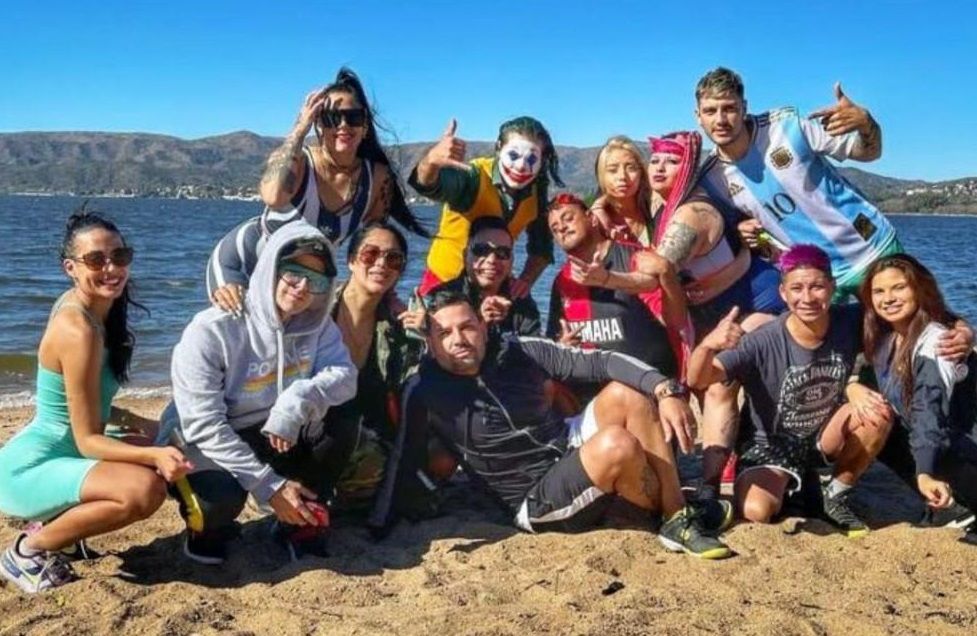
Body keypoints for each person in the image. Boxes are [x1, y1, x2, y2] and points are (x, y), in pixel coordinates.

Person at [372, 290, 734, 559]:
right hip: (534, 497)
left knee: (628, 394)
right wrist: (378, 524)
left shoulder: (517, 350)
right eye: (445, 333)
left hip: (566, 444)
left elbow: (602, 361)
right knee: (617, 444)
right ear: (431, 343)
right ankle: (672, 510)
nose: (458, 339)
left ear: (482, 326)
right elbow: (404, 456)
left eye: (467, 326)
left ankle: (676, 514)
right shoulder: (423, 388)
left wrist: (665, 389)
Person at [0, 210, 190, 594]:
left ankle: (65, 534)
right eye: (95, 260)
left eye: (119, 256)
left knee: (163, 440)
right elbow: (86, 440)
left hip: (67, 450)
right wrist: (153, 454)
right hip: (31, 468)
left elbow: (85, 402)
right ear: (70, 267)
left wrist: (140, 425)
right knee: (144, 490)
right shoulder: (77, 329)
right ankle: (27, 550)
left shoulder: (99, 312)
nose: (111, 268)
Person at [163, 222, 358, 564]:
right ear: (271, 266)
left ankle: (297, 523)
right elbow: (205, 426)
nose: (302, 287)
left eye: (315, 280)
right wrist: (270, 486)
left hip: (272, 428)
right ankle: (206, 530)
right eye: (293, 272)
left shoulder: (318, 326)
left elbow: (345, 377)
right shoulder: (213, 329)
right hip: (206, 436)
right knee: (218, 500)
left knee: (342, 416)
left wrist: (297, 401)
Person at [687, 245, 892, 536]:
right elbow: (699, 379)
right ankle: (801, 488)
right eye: (797, 288)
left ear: (832, 287)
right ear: (783, 293)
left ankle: (835, 494)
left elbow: (911, 310)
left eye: (817, 287)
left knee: (876, 413)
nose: (807, 298)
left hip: (823, 436)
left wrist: (956, 328)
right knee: (757, 511)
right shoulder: (762, 340)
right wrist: (707, 345)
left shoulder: (851, 320)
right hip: (770, 445)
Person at [207, 67, 427, 313]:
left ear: (364, 126)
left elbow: (374, 246)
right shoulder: (299, 161)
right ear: (319, 125)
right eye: (332, 118)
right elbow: (272, 196)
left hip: (302, 285)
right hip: (243, 265)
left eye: (353, 117)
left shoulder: (377, 178)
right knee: (235, 329)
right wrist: (300, 128)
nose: (343, 125)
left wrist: (387, 297)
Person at [691, 66, 901, 300]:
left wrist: (866, 124)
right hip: (814, 275)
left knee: (912, 321)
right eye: (710, 111)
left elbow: (869, 153)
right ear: (698, 116)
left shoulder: (788, 126)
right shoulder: (712, 179)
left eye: (729, 108)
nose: (720, 120)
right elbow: (748, 232)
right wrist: (743, 231)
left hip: (873, 247)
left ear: (744, 108)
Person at [544, 194, 690, 442]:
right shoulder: (563, 281)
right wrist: (562, 345)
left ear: (591, 218)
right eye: (555, 228)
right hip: (595, 402)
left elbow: (675, 321)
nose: (562, 228)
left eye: (568, 218)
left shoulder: (634, 259)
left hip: (650, 392)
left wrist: (608, 279)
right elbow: (552, 344)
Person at [859, 254, 977, 541]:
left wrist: (924, 472)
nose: (888, 298)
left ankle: (957, 501)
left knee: (920, 434)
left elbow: (929, 407)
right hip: (945, 442)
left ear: (920, 289)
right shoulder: (886, 339)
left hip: (966, 446)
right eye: (879, 291)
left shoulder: (938, 342)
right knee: (875, 416)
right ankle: (952, 504)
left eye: (899, 287)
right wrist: (853, 387)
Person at [326, 221, 424, 507]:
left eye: (393, 259)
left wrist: (425, 335)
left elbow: (416, 386)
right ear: (351, 260)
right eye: (370, 254)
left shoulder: (395, 326)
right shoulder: (316, 311)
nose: (381, 264)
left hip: (363, 432)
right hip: (307, 426)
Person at [409, 116, 564, 296]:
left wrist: (526, 280)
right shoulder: (474, 177)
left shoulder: (537, 191)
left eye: (531, 159)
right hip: (445, 286)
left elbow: (542, 246)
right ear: (499, 148)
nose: (521, 166)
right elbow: (429, 185)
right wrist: (431, 162)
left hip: (494, 288)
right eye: (514, 156)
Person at [427, 215, 542, 338]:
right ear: (465, 255)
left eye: (502, 252)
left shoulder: (520, 300)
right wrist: (480, 321)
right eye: (481, 250)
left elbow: (533, 345)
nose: (492, 260)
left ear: (511, 260)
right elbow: (444, 346)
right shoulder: (444, 297)